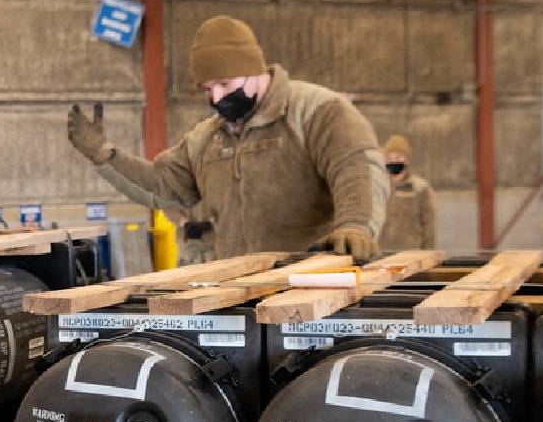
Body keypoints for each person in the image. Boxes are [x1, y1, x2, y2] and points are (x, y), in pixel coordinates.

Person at [67, 16, 388, 260]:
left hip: (310, 282)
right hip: (236, 288)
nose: (217, 98)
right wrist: (104, 156)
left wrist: (356, 225)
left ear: (255, 70)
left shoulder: (317, 111)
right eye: (208, 89)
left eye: (224, 84)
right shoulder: (205, 138)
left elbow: (355, 166)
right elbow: (162, 186)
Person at [379, 134, 437, 250]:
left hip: (411, 255)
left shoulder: (420, 188)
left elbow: (429, 227)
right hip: (380, 255)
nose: (395, 162)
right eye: (390, 158)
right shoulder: (377, 188)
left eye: (399, 157)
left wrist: (428, 253)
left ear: (407, 160)